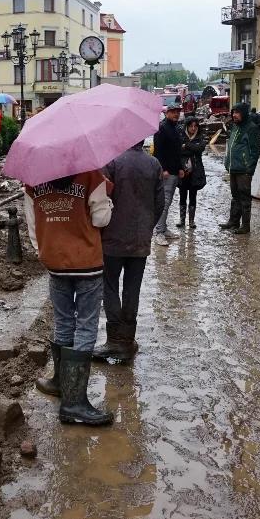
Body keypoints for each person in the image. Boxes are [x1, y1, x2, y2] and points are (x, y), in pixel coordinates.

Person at [26, 170, 115, 426]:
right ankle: (74, 403)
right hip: (86, 260)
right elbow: (100, 219)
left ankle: (59, 382)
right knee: (86, 326)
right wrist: (108, 202)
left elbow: (32, 223)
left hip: (54, 260)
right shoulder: (90, 175)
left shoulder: (33, 180)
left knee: (63, 321)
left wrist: (43, 250)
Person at [93, 142, 164, 361]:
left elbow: (100, 200)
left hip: (113, 239)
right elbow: (159, 203)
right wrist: (146, 227)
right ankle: (127, 339)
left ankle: (115, 340)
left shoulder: (112, 162)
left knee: (110, 286)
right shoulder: (153, 164)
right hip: (140, 240)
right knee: (132, 289)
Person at [221, 103, 260, 234]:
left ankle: (245, 226)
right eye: (233, 112)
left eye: (237, 112)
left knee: (245, 198)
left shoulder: (251, 128)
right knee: (235, 196)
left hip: (244, 170)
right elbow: (233, 147)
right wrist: (228, 163)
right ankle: (233, 222)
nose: (234, 115)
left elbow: (254, 151)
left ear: (244, 113)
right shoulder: (235, 126)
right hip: (233, 168)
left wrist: (249, 168)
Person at [152, 104, 184, 246]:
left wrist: (180, 168)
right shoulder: (162, 128)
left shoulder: (176, 128)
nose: (176, 114)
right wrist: (162, 169)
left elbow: (177, 152)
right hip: (166, 173)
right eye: (173, 112)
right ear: (167, 113)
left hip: (174, 171)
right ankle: (158, 232)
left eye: (178, 112)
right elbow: (158, 151)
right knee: (164, 203)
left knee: (168, 202)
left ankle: (164, 229)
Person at [177, 117, 207, 229]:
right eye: (191, 126)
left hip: (196, 172)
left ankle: (191, 221)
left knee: (193, 195)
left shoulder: (200, 137)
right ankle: (182, 220)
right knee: (182, 195)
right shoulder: (181, 137)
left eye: (195, 126)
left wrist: (187, 145)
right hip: (183, 171)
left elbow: (200, 149)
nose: (193, 128)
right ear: (187, 126)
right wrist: (191, 148)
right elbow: (179, 151)